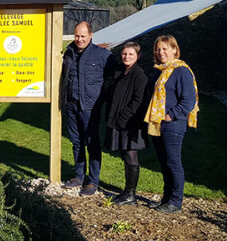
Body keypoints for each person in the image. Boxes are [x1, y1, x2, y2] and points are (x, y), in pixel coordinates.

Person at [145, 35, 199, 214]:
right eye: (158, 49)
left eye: (165, 48)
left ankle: (176, 201)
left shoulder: (181, 71)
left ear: (175, 49)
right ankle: (166, 198)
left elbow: (188, 101)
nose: (161, 52)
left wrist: (170, 116)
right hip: (158, 124)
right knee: (164, 162)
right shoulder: (161, 71)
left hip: (173, 124)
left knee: (173, 162)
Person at [62, 21, 116, 196]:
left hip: (90, 107)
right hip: (71, 104)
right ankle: (79, 176)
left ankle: (92, 181)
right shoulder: (68, 52)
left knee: (92, 143)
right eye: (77, 36)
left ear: (91, 35)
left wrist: (103, 96)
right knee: (76, 142)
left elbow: (115, 76)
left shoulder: (102, 55)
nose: (79, 39)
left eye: (83, 36)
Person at [105, 42, 148, 205]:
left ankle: (131, 194)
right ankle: (127, 191)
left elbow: (138, 100)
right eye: (124, 54)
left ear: (138, 56)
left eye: (130, 54)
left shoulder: (139, 75)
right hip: (118, 121)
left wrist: (123, 117)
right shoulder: (120, 72)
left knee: (131, 155)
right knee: (125, 154)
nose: (126, 57)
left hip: (130, 123)